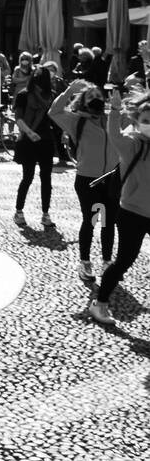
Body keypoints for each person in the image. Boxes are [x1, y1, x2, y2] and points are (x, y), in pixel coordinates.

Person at [89, 87, 150, 325]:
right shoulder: (131, 144)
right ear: (137, 121)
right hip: (132, 213)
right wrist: (114, 110)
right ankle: (100, 303)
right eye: (146, 121)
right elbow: (114, 134)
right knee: (124, 261)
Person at [51, 81, 121, 283]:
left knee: (108, 223)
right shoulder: (76, 121)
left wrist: (117, 106)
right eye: (90, 96)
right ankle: (85, 262)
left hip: (111, 179)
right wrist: (69, 91)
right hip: (88, 180)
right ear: (83, 101)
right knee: (90, 221)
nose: (96, 99)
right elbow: (54, 112)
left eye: (98, 95)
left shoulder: (112, 117)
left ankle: (107, 262)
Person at [12, 66, 57, 228]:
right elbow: (18, 117)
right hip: (29, 139)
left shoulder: (50, 97)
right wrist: (30, 133)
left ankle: (45, 213)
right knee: (28, 177)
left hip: (45, 140)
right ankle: (19, 211)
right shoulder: (24, 95)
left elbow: (55, 118)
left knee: (46, 179)